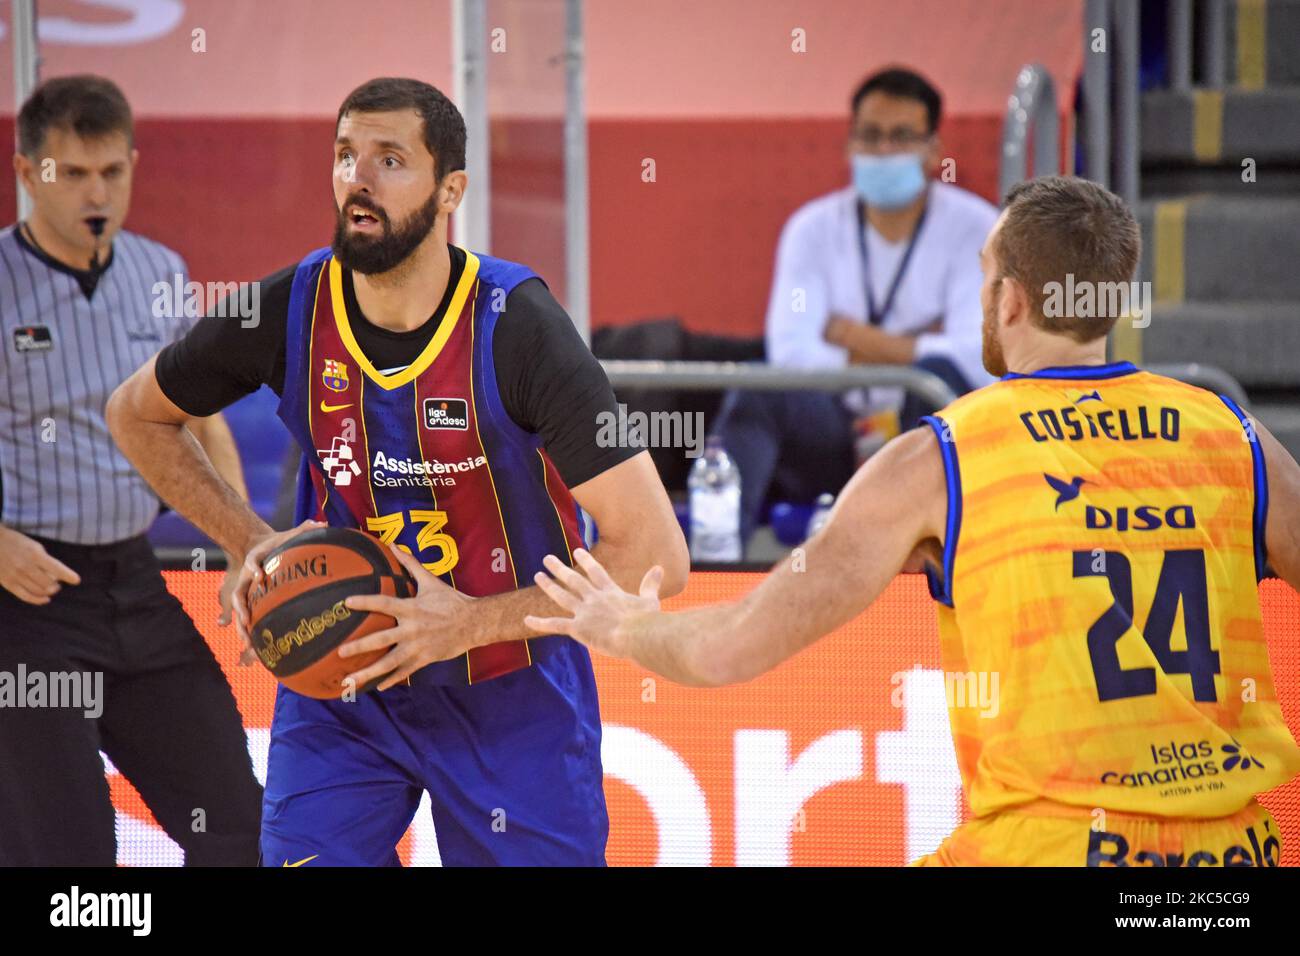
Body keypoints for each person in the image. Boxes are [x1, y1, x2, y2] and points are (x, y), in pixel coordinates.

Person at [525, 175, 1300, 867]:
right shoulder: (1235, 436)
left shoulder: (945, 457)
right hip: (1232, 860)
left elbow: (733, 648)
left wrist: (622, 627)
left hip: (1051, 846)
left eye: (986, 279)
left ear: (1011, 301)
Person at [107, 77, 689, 866]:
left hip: (509, 690)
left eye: (390, 159)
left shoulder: (519, 328)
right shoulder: (292, 307)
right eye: (346, 156)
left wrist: (468, 623)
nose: (359, 179)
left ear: (451, 190)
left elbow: (655, 552)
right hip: (344, 677)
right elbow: (136, 413)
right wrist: (251, 544)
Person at [0, 75, 262, 865]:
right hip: (28, 601)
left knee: (238, 830)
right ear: (27, 173)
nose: (97, 192)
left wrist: (245, 542)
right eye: (73, 174)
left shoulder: (163, 271)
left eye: (112, 172)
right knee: (67, 854)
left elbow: (201, 418)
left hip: (135, 585)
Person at [718, 66, 997, 544]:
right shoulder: (812, 228)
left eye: (901, 136)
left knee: (936, 377)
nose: (883, 150)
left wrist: (852, 336)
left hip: (926, 429)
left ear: (934, 151)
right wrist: (911, 344)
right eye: (870, 136)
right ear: (849, 145)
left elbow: (978, 356)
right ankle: (713, 556)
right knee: (757, 386)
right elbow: (790, 351)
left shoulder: (977, 227)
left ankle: (921, 547)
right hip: (834, 431)